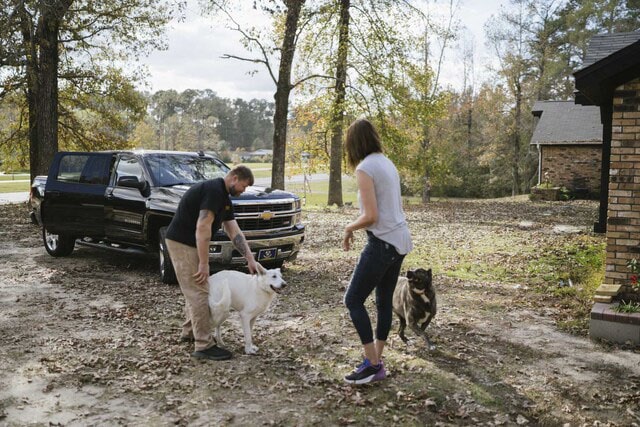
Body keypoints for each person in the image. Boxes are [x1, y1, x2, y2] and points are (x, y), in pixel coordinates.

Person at [165, 165, 263, 361]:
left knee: (198, 289)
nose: (243, 192)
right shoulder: (213, 191)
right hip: (182, 242)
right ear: (234, 178)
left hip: (190, 242)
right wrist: (204, 263)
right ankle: (203, 345)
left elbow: (233, 232)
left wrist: (250, 259)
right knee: (199, 291)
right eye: (243, 187)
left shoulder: (224, 198)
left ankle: (190, 331)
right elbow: (202, 227)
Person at [342, 118, 413, 384]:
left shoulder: (365, 167)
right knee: (383, 302)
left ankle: (372, 364)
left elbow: (370, 216)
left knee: (353, 300)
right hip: (399, 241)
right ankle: (376, 362)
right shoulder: (385, 162)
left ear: (353, 143)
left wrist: (348, 227)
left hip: (382, 243)